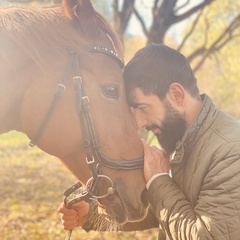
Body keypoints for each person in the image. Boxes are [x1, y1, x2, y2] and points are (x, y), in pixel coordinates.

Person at [58, 44, 240, 239]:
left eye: (143, 107)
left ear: (176, 95)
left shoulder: (231, 152)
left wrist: (158, 181)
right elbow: (166, 209)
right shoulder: (183, 137)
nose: (139, 122)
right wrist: (90, 215)